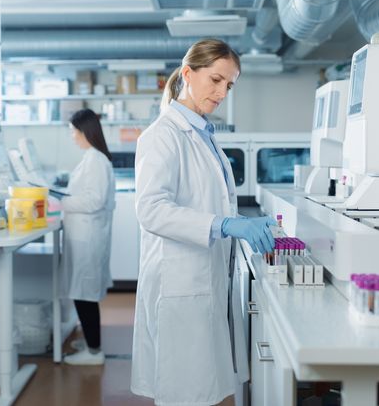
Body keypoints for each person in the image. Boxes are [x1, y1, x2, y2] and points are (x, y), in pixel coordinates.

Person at [130, 39, 276, 405]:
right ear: (187, 74)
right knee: (182, 390)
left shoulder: (204, 135)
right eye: (215, 80)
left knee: (202, 388)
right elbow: (150, 209)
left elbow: (207, 201)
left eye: (228, 85)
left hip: (203, 276)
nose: (221, 91)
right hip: (178, 281)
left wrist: (237, 220)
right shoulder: (162, 136)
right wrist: (226, 226)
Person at [59, 108, 116, 366]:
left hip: (88, 237)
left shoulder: (95, 160)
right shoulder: (92, 158)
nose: (72, 137)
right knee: (82, 292)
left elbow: (94, 200)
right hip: (85, 235)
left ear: (84, 131)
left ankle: (94, 352)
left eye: (73, 131)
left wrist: (61, 202)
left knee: (85, 295)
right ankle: (91, 342)